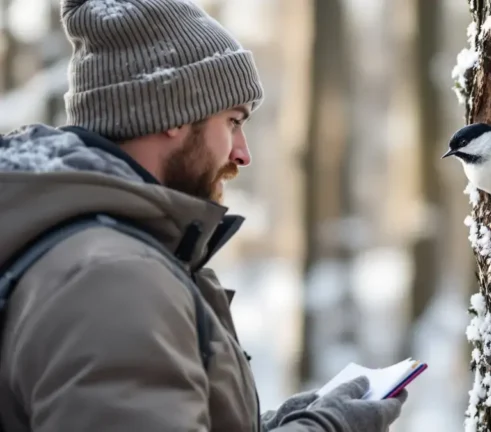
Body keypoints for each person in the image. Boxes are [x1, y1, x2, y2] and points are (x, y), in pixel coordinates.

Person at [0, 0, 407, 431]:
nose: (242, 153)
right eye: (232, 121)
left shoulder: (89, 253)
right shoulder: (112, 278)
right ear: (172, 111)